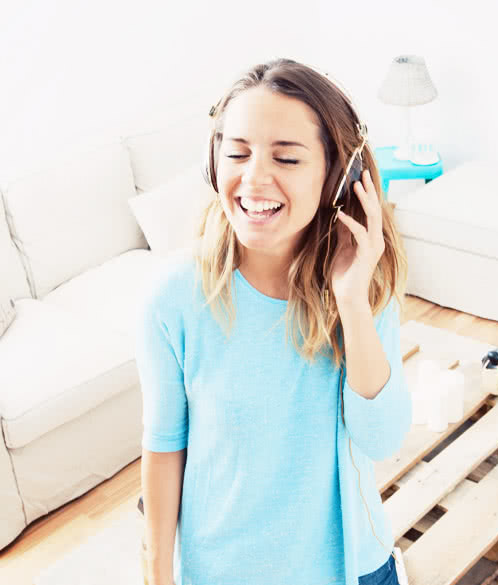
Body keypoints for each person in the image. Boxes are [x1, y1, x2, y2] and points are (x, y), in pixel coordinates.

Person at [136, 57, 412, 585]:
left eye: (286, 158)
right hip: (224, 571)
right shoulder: (172, 301)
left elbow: (381, 441)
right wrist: (156, 575)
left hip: (353, 567)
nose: (253, 179)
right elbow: (164, 446)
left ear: (338, 177)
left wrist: (351, 301)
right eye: (236, 153)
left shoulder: (363, 287)